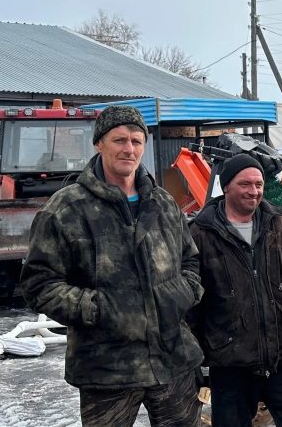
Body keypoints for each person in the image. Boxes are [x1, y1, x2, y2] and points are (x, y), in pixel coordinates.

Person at [20, 105, 204, 427]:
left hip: (172, 358)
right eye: (119, 140)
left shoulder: (162, 203)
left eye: (136, 141)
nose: (129, 149)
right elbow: (39, 284)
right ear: (99, 144)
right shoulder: (65, 209)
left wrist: (182, 293)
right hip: (106, 367)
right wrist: (99, 309)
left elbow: (190, 260)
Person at [188, 153, 282, 427]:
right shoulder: (199, 235)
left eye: (258, 184)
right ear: (226, 186)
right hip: (230, 365)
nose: (254, 191)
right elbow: (190, 304)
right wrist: (193, 359)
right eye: (245, 184)